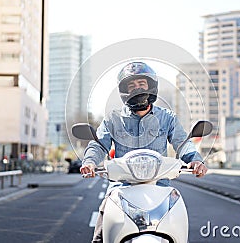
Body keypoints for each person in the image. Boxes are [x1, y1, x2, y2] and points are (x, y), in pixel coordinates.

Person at [80, 61, 208, 243]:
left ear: (151, 87)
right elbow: (99, 145)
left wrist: (195, 160)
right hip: (122, 189)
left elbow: (183, 144)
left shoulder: (167, 118)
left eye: (141, 84)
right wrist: (89, 162)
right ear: (124, 91)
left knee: (179, 227)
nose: (137, 89)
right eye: (131, 85)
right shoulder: (113, 119)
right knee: (101, 232)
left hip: (160, 188)